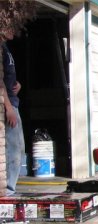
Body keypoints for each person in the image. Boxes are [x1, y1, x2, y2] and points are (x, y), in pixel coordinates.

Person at [2, 28, 25, 196]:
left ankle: (10, 187)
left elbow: (6, 77)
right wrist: (8, 108)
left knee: (18, 147)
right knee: (14, 148)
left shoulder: (5, 47)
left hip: (13, 102)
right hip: (8, 106)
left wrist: (18, 84)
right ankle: (9, 189)